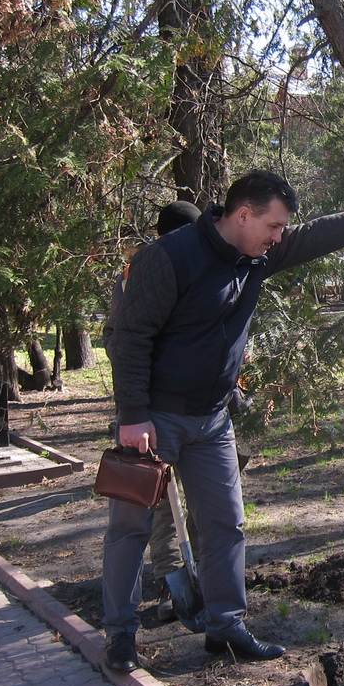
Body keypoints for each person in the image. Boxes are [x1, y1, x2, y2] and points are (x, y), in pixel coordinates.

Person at [103, 170, 344, 672]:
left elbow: (317, 236)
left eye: (281, 229)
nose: (279, 236)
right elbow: (129, 337)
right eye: (274, 225)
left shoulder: (256, 257)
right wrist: (133, 416)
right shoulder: (169, 257)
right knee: (129, 529)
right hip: (156, 419)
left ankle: (225, 626)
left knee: (225, 524)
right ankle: (120, 636)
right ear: (243, 215)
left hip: (213, 419)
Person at [104, 201, 200, 623]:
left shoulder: (200, 267)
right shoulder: (136, 275)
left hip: (196, 410)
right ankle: (169, 581)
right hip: (146, 411)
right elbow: (117, 338)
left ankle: (200, 576)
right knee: (156, 501)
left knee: (201, 503)